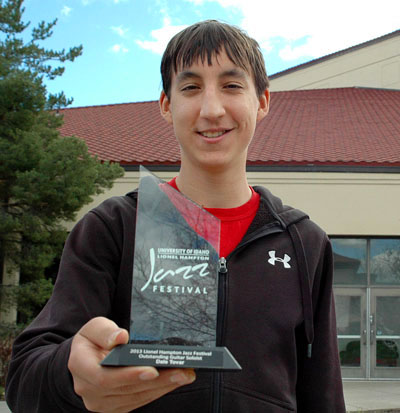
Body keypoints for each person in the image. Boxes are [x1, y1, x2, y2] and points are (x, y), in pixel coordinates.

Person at [5, 20, 345, 412]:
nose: (212, 110)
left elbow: (324, 394)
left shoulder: (304, 242)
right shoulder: (113, 229)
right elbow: (24, 380)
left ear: (262, 101)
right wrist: (71, 375)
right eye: (191, 88)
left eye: (232, 86)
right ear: (167, 105)